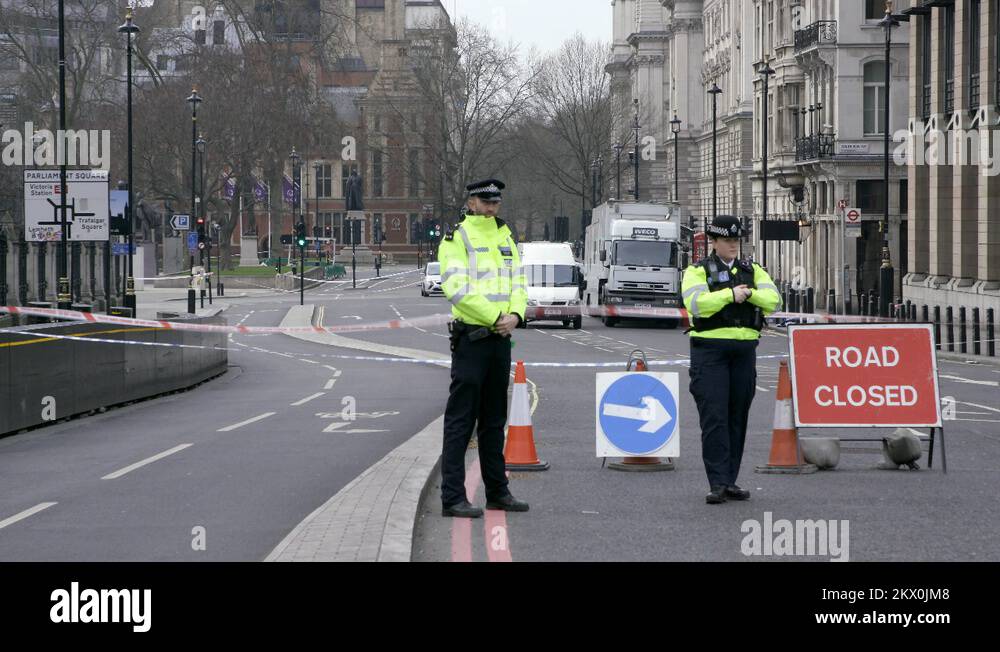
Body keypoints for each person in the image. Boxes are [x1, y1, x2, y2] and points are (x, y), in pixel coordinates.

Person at [437, 178, 530, 518]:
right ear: (472, 202)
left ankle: (497, 492)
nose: (492, 208)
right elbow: (457, 289)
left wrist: (517, 314)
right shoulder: (456, 238)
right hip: (472, 339)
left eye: (496, 203)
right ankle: (452, 497)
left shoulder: (506, 236)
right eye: (486, 202)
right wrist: (496, 316)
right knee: (461, 420)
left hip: (500, 339)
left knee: (494, 420)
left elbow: (518, 281)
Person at [681, 215, 782, 504]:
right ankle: (717, 482)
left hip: (744, 352)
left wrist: (747, 293)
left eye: (737, 240)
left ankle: (731, 479)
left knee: (737, 417)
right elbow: (697, 304)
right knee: (714, 417)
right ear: (713, 242)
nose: (733, 245)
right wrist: (730, 295)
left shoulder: (753, 270)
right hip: (709, 351)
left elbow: (774, 301)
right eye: (728, 241)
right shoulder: (697, 271)